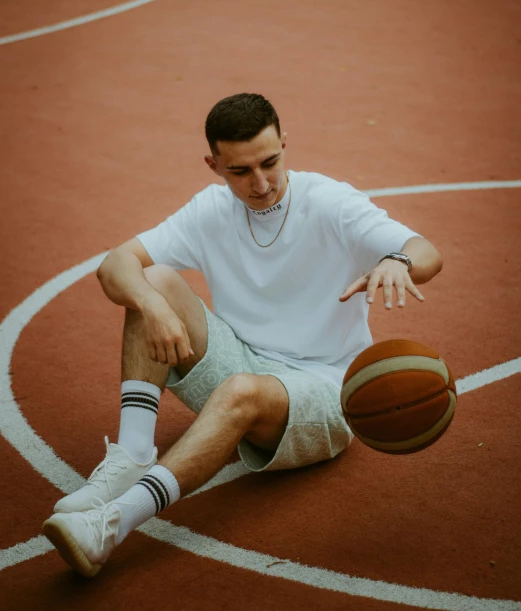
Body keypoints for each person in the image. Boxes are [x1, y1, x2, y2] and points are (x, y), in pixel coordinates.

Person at [42, 93, 442, 577]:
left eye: (270, 162)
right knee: (152, 281)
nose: (261, 183)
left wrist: (397, 261)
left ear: (284, 143)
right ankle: (133, 455)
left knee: (241, 390)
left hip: (326, 389)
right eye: (240, 171)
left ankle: (111, 525)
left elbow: (425, 251)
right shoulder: (210, 210)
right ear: (213, 164)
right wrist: (151, 306)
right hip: (244, 360)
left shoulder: (331, 203)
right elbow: (115, 266)